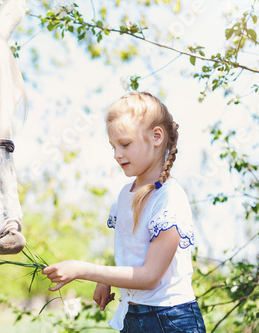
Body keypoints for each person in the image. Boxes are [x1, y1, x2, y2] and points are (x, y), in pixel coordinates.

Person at [41, 92, 206, 332]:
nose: (117, 154)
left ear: (156, 136)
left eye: (125, 144)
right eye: (113, 146)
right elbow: (134, 252)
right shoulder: (125, 195)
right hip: (133, 314)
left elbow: (150, 276)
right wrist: (104, 279)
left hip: (171, 320)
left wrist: (82, 270)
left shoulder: (169, 198)